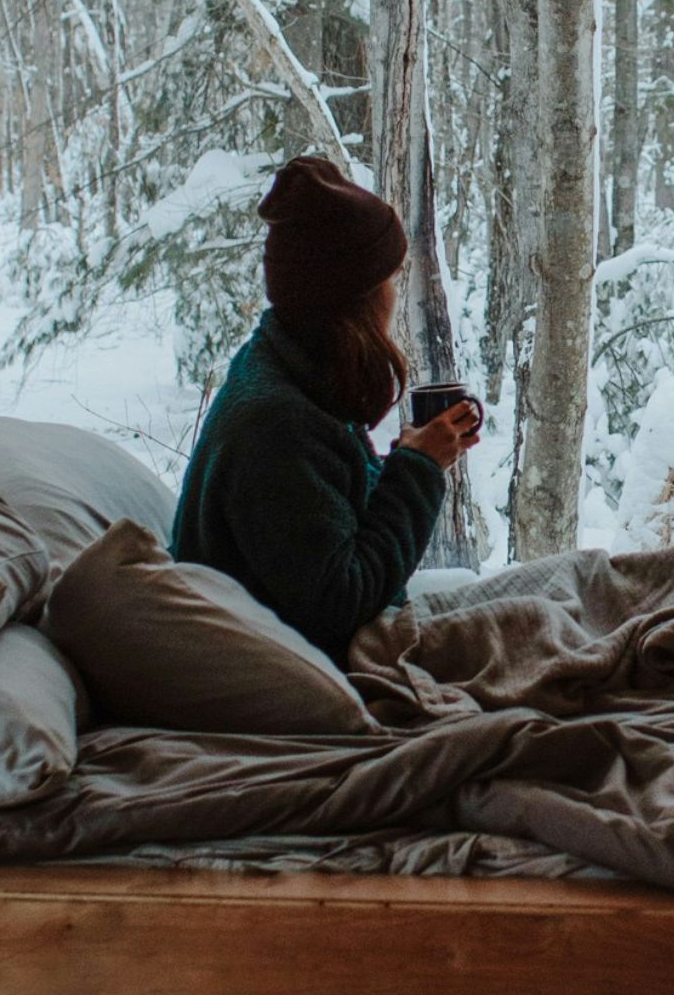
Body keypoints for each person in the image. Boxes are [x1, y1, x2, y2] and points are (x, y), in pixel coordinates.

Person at [171, 156, 481, 663]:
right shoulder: (278, 427)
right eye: (389, 279)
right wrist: (418, 471)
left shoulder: (287, 369)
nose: (394, 294)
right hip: (298, 667)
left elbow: (323, 522)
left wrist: (407, 460)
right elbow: (342, 602)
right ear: (353, 297)